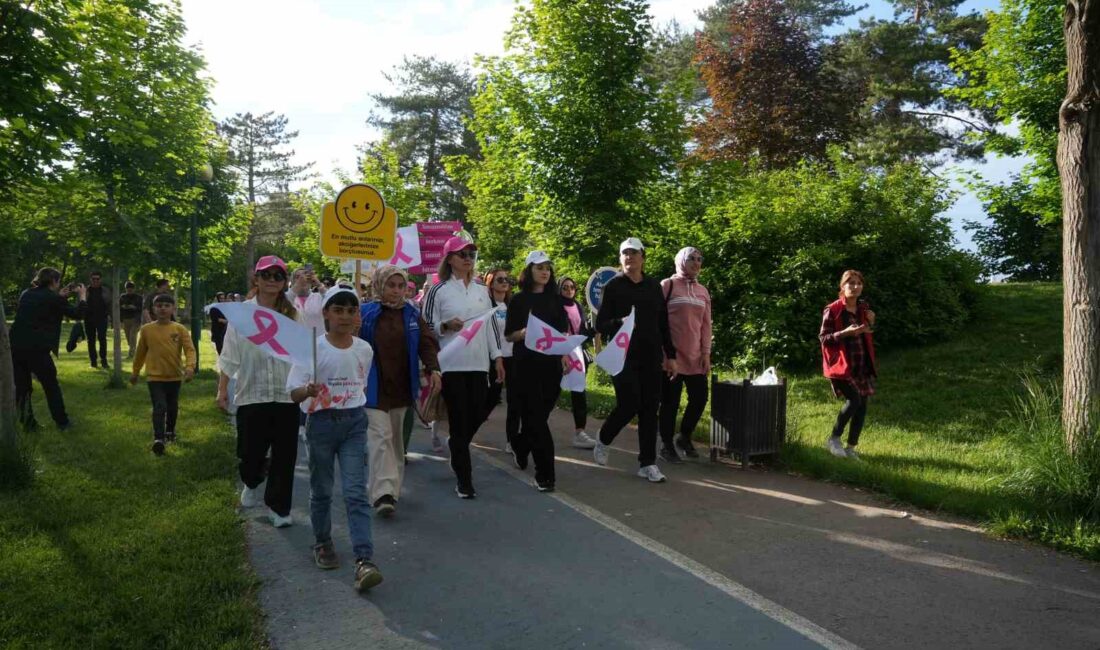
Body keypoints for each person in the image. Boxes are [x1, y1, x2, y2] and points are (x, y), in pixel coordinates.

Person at [287, 286, 383, 592]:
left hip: (354, 422)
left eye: (350, 310)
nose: (344, 316)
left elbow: (359, 382)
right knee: (323, 490)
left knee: (356, 491)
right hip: (321, 425)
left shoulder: (364, 349)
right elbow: (293, 393)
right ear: (326, 313)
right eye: (337, 310)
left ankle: (364, 560)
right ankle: (323, 541)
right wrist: (308, 391)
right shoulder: (313, 350)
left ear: (357, 315)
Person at [216, 256, 299, 528]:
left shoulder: (292, 313)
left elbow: (303, 351)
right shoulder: (242, 314)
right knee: (250, 453)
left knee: (285, 456)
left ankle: (279, 508)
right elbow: (229, 355)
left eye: (278, 276)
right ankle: (251, 481)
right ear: (257, 279)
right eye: (266, 275)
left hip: (286, 394)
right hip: (252, 393)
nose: (272, 281)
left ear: (284, 281)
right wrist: (222, 390)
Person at [422, 236, 505, 499]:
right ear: (449, 259)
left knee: (477, 414)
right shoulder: (439, 290)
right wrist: (446, 326)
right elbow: (426, 326)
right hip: (451, 364)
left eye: (471, 254)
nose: (468, 259)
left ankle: (456, 444)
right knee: (459, 422)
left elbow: (491, 326)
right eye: (462, 254)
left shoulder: (483, 291)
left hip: (479, 366)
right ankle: (464, 480)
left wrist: (498, 357)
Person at [592, 238, 677, 483]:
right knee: (629, 403)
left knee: (650, 408)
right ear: (620, 259)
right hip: (623, 355)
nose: (629, 257)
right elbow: (601, 324)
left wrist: (670, 355)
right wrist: (620, 322)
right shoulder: (614, 286)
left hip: (651, 356)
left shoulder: (653, 286)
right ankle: (604, 438)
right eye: (625, 254)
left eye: (634, 253)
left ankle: (647, 463)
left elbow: (663, 324)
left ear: (643, 257)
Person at [359, 266, 441, 517]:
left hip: (402, 386)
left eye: (400, 286)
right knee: (380, 438)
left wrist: (433, 368)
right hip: (373, 386)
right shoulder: (365, 313)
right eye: (390, 285)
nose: (396, 291)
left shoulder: (412, 314)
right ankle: (382, 493)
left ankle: (391, 492)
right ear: (379, 285)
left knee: (395, 442)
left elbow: (427, 342)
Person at [504, 251, 571, 492]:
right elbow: (509, 335)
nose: (545, 272)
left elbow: (563, 332)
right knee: (536, 421)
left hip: (551, 366)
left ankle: (520, 445)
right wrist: (524, 333)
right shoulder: (518, 300)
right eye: (539, 267)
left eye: (548, 268)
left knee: (538, 419)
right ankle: (546, 475)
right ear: (529, 271)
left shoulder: (555, 300)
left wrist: (564, 353)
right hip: (526, 366)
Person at [10, 268, 86, 431]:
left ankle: (28, 424)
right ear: (53, 282)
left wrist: (59, 297)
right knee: (51, 386)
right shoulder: (53, 298)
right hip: (37, 349)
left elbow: (42, 305)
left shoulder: (26, 293)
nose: (59, 285)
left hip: (16, 346)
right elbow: (78, 314)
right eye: (58, 282)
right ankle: (63, 422)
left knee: (23, 387)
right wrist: (82, 296)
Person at [657, 247, 712, 463]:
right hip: (670, 356)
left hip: (696, 356)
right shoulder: (667, 285)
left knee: (699, 398)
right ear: (681, 260)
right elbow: (658, 321)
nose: (696, 263)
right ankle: (667, 444)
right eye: (691, 258)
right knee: (670, 402)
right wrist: (664, 353)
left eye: (700, 259)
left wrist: (706, 353)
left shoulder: (703, 291)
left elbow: (706, 326)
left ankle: (685, 437)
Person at [819, 269, 877, 460]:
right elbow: (824, 338)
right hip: (841, 366)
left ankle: (851, 448)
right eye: (850, 283)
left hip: (862, 364)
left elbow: (866, 333)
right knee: (854, 400)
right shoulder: (833, 310)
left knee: (862, 406)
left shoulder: (863, 309)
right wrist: (844, 333)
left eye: (858, 283)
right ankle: (834, 439)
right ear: (842, 286)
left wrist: (870, 322)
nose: (855, 286)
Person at [130, 294, 196, 456]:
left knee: (172, 407)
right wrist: (135, 372)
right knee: (160, 406)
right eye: (159, 306)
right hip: (154, 377)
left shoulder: (179, 329)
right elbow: (140, 353)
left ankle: (170, 432)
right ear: (153, 309)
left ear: (173, 308)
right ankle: (158, 439)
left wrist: (190, 367)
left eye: (167, 305)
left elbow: (190, 350)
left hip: (174, 376)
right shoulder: (146, 330)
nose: (163, 308)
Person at [481, 268, 520, 453]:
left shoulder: (512, 305)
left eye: (507, 279)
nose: (505, 282)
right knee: (490, 398)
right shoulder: (485, 306)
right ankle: (465, 432)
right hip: (493, 358)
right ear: (490, 283)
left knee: (514, 401)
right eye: (500, 279)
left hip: (512, 357)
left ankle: (512, 441)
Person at [558, 276, 598, 450]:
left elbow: (581, 331)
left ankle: (580, 432)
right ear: (559, 289)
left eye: (571, 287)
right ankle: (534, 426)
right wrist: (562, 352)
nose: (569, 290)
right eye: (565, 287)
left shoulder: (578, 306)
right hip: (559, 354)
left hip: (577, 355)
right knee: (550, 392)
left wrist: (594, 330)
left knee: (579, 392)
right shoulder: (554, 306)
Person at [84, 271, 111, 368]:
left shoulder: (105, 290)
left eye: (97, 279)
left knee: (102, 339)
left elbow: (110, 304)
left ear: (101, 279)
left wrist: (110, 317)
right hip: (88, 319)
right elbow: (80, 304)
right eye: (93, 279)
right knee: (90, 340)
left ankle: (104, 360)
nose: (95, 281)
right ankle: (93, 361)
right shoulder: (86, 290)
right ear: (90, 279)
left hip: (102, 318)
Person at [119, 281, 144, 359]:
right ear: (125, 289)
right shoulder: (122, 297)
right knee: (128, 337)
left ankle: (132, 354)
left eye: (131, 289)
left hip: (135, 319)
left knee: (132, 335)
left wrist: (134, 307)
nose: (129, 290)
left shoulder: (139, 297)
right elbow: (119, 308)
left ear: (134, 289)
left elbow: (141, 308)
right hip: (126, 319)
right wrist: (121, 320)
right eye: (128, 289)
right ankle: (134, 350)